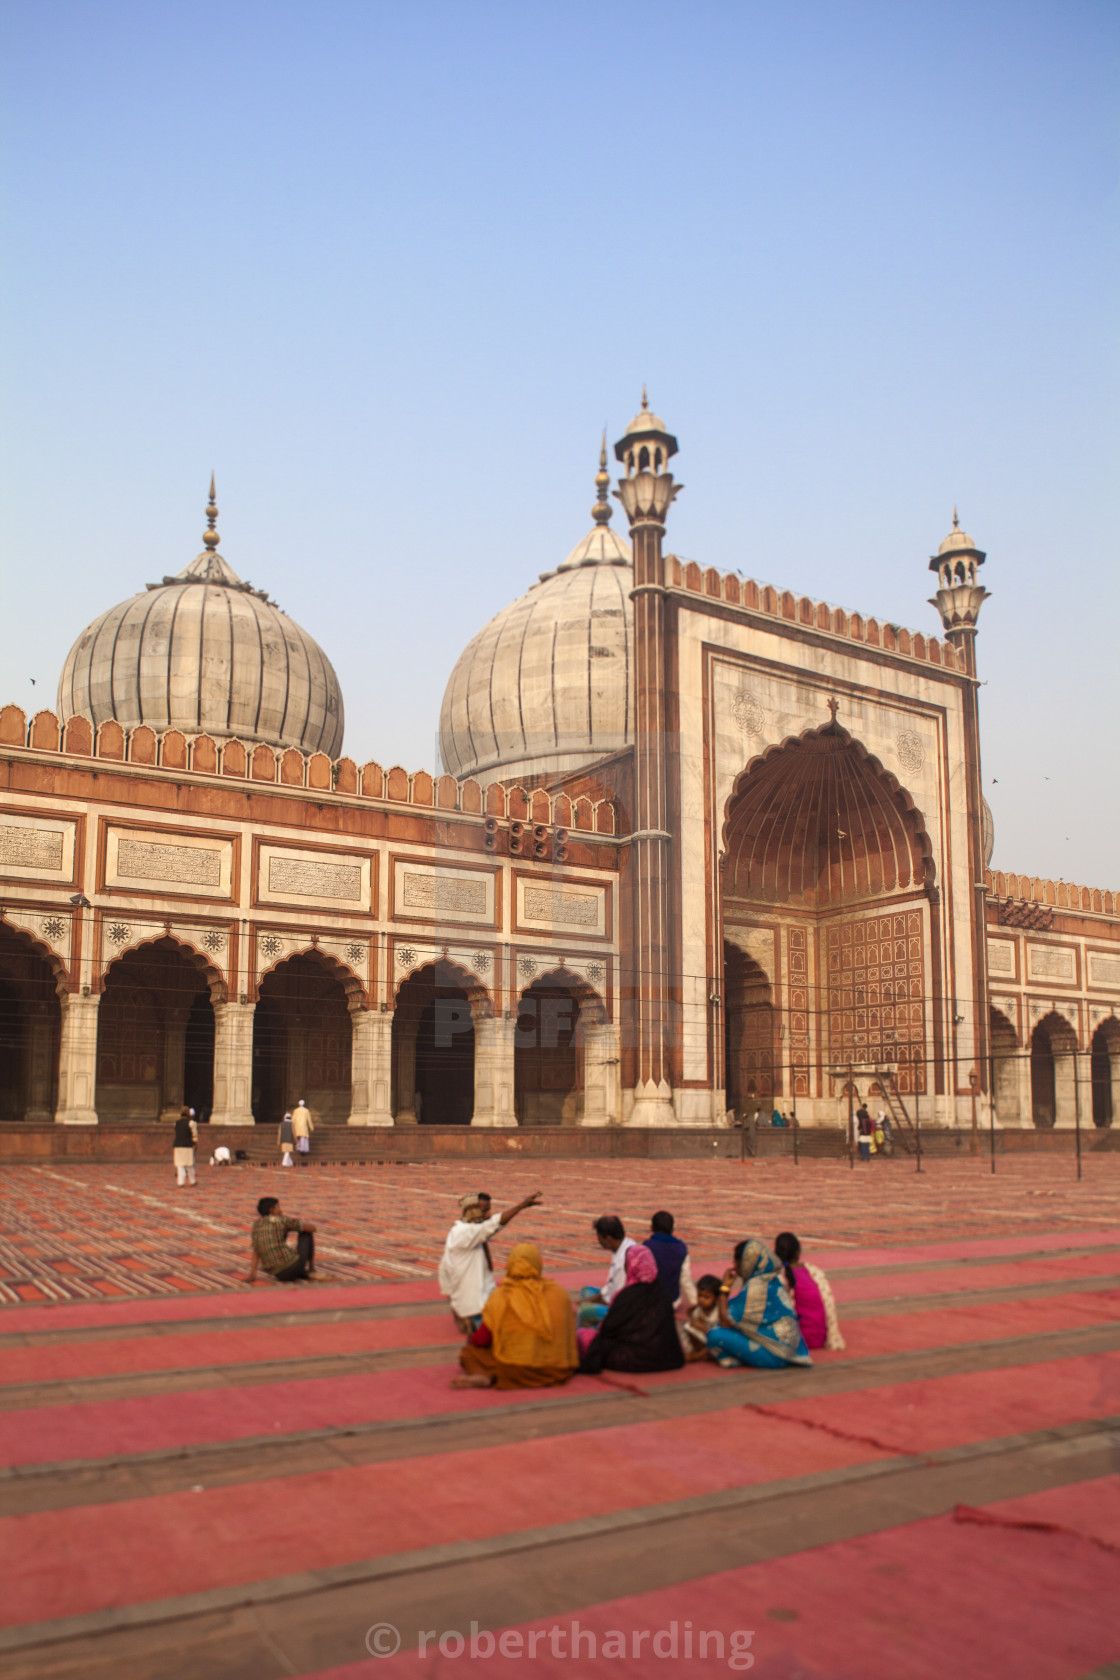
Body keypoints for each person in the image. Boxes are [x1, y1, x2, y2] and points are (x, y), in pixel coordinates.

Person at [452, 1242, 578, 1390]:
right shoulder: (559, 1293)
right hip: (556, 1368)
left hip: (514, 1370)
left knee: (470, 1353)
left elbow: (482, 1339)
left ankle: (485, 1374)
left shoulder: (502, 1295)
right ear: (538, 1263)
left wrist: (472, 1338)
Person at [438, 1189, 542, 1332]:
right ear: (472, 1210)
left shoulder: (470, 1231)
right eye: (484, 1210)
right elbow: (493, 1225)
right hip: (476, 1301)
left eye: (489, 1210)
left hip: (483, 1295)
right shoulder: (464, 1233)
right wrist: (521, 1206)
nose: (488, 1214)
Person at [578, 1244, 685, 1374]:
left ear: (631, 1266)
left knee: (584, 1336)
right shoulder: (662, 1293)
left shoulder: (626, 1296)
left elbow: (608, 1329)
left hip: (630, 1357)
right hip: (664, 1357)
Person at [706, 1237, 812, 1369]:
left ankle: (730, 1359)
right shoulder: (773, 1279)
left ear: (746, 1262)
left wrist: (724, 1289)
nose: (734, 1265)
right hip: (791, 1351)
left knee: (714, 1334)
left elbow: (725, 1321)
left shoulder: (755, 1288)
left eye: (736, 1261)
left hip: (773, 1357)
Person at [773, 1231, 845, 1351]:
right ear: (798, 1252)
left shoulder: (778, 1277)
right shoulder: (813, 1271)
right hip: (820, 1338)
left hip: (799, 1340)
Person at [577, 1215, 635, 1329]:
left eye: (599, 1238)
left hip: (622, 1310)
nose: (599, 1242)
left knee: (582, 1311)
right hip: (614, 1296)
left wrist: (581, 1304)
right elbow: (608, 1289)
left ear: (608, 1239)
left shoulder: (623, 1260)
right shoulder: (623, 1245)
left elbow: (609, 1299)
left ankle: (589, 1340)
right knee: (586, 1291)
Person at [245, 1196, 318, 1283]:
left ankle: (302, 1272)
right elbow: (313, 1228)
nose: (281, 1210)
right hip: (294, 1267)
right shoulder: (282, 1220)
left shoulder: (256, 1225)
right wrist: (294, 1224)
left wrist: (252, 1274)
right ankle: (311, 1268)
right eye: (278, 1207)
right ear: (271, 1210)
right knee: (306, 1233)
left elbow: (256, 1251)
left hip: (280, 1276)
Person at [644, 1210, 697, 1308]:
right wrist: (696, 1302)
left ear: (651, 1228)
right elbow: (685, 1278)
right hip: (672, 1301)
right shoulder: (681, 1247)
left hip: (649, 1301)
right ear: (672, 1229)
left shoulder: (646, 1246)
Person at [679, 1273, 723, 1360]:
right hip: (704, 1339)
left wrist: (701, 1327)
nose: (701, 1299)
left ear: (716, 1299)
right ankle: (695, 1351)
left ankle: (698, 1355)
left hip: (716, 1341)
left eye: (706, 1297)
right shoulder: (698, 1310)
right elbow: (692, 1323)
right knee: (686, 1327)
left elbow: (720, 1334)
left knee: (717, 1345)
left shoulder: (718, 1312)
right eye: (700, 1295)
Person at [172, 1105, 198, 1187]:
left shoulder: (176, 1123)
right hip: (187, 1145)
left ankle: (180, 1182)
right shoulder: (192, 1123)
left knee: (180, 1165)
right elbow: (194, 1135)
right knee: (189, 1164)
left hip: (178, 1145)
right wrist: (195, 1143)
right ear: (188, 1113)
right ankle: (192, 1181)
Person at [292, 1098, 315, 1163]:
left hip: (297, 1127)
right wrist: (311, 1127)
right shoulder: (306, 1110)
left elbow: (293, 1120)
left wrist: (292, 1126)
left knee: (298, 1138)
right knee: (303, 1139)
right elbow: (309, 1120)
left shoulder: (295, 1110)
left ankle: (299, 1148)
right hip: (304, 1127)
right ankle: (303, 1150)